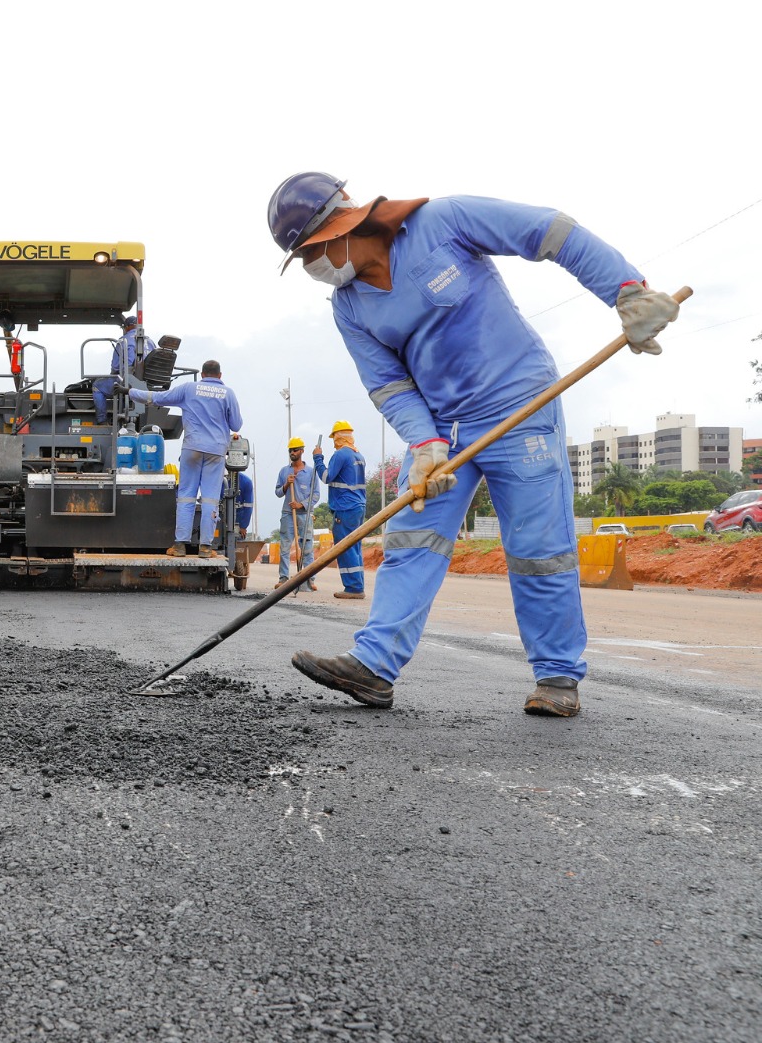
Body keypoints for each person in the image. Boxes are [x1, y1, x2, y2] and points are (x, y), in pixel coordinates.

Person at [268, 171, 679, 716]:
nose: (311, 269)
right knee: (412, 536)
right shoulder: (349, 306)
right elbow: (388, 385)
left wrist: (627, 291)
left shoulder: (443, 221)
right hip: (445, 429)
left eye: (309, 254)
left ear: (341, 228)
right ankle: (374, 667)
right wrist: (426, 444)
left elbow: (550, 232)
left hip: (520, 408)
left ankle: (557, 677)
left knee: (538, 547)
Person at [128, 359, 242, 557]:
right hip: (215, 451)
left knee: (186, 496)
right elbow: (236, 425)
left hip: (192, 448)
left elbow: (156, 398)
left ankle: (180, 546)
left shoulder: (189, 389)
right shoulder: (228, 393)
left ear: (202, 374)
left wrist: (129, 392)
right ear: (220, 376)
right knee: (209, 500)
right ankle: (206, 547)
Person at [314, 420, 367, 599]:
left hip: (345, 507)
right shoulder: (358, 456)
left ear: (338, 437)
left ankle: (353, 588)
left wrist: (318, 458)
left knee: (345, 547)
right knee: (355, 547)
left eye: (334, 438)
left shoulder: (341, 455)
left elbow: (326, 477)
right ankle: (357, 585)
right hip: (358, 506)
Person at [92, 314, 155, 425]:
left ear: (127, 327)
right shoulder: (150, 341)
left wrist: (112, 375)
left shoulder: (123, 341)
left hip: (128, 381)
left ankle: (102, 421)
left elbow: (116, 367)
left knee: (97, 386)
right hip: (148, 383)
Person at [276, 438, 321, 589]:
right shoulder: (284, 471)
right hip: (288, 513)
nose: (292, 453)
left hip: (305, 514)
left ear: (302, 451)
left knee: (307, 548)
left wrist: (301, 504)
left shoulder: (310, 472)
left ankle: (309, 579)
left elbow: (316, 495)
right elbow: (277, 493)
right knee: (285, 547)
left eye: (295, 450)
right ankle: (283, 579)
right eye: (290, 450)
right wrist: (286, 485)